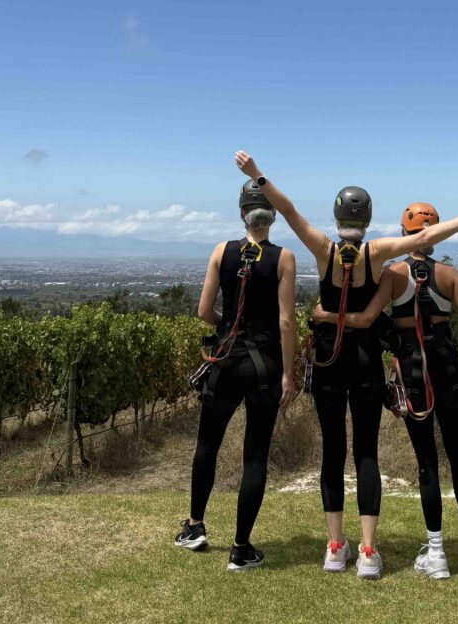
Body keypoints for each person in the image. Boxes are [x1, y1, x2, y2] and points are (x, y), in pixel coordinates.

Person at [234, 150, 458, 580]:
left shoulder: (323, 248)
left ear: (337, 214)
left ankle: (335, 547)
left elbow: (287, 210)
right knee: (365, 453)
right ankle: (368, 551)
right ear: (370, 215)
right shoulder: (376, 253)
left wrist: (258, 176)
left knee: (332, 453)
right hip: (365, 362)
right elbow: (421, 242)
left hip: (328, 360)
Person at [312, 202, 458, 580]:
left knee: (427, 462)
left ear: (404, 234)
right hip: (447, 363)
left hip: (412, 366)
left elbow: (366, 319)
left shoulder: (392, 275)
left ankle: (437, 552)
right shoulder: (450, 275)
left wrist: (325, 317)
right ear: (434, 233)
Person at [173, 177, 297, 572]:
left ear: (241, 213)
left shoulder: (220, 251)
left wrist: (229, 325)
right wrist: (289, 374)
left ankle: (194, 528)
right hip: (264, 367)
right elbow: (286, 321)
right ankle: (241, 548)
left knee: (207, 442)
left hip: (224, 361)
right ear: (272, 216)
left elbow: (204, 311)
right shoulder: (284, 258)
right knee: (255, 455)